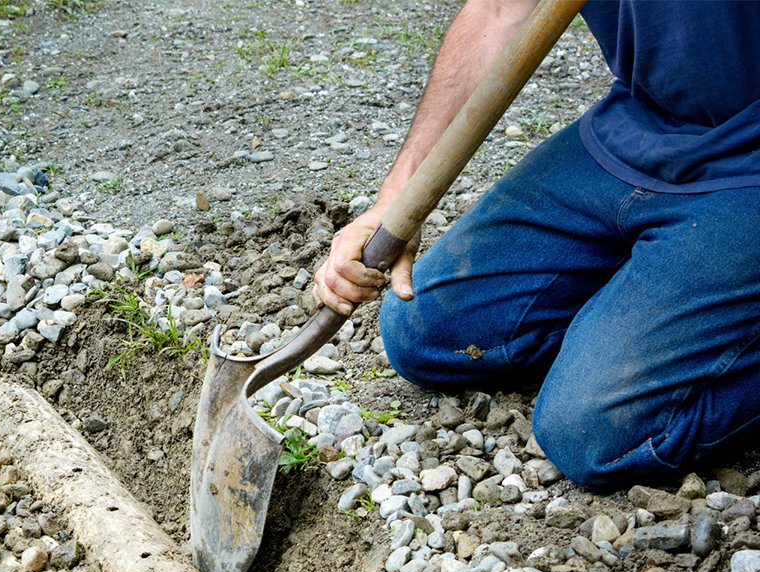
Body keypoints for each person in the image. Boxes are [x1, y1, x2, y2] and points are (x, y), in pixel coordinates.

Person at [313, 0, 760, 489]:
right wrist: (394, 203)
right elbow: (499, 11)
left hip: (750, 167)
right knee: (423, 329)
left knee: (592, 435)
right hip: (640, 125)